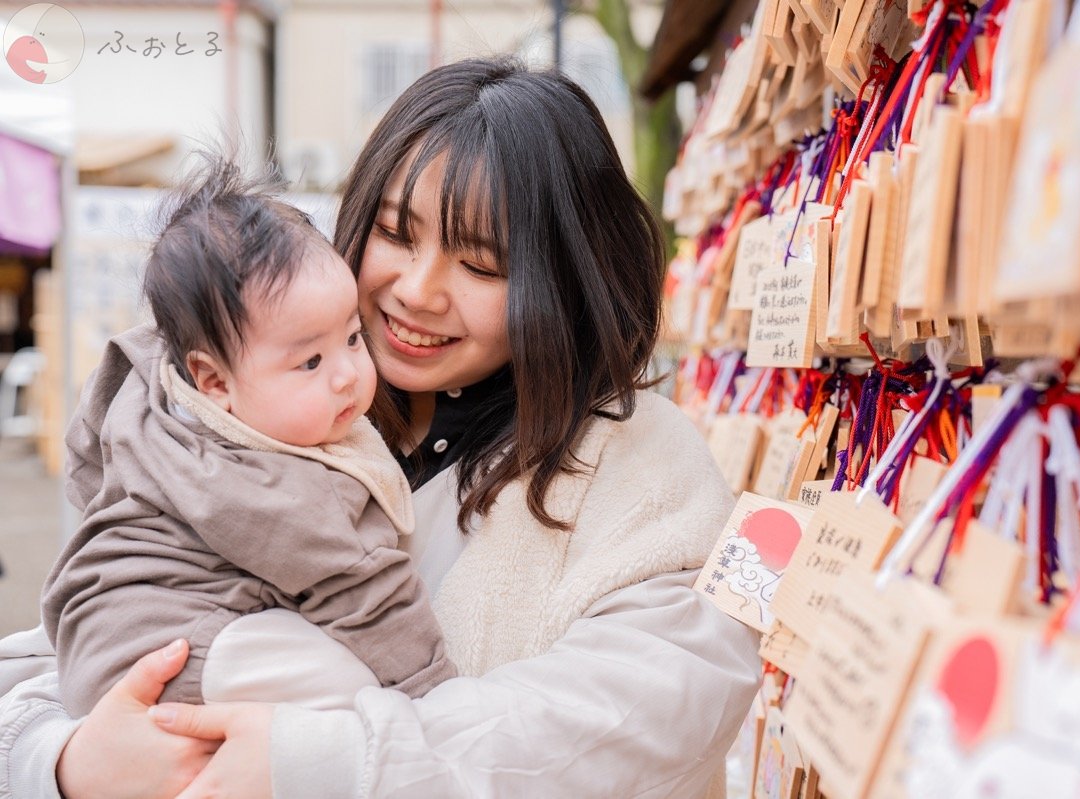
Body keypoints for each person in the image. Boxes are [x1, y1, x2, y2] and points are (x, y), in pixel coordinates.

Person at [0, 57, 761, 798]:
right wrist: (66, 761)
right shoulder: (250, 415)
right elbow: (74, 625)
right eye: (396, 234)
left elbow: (653, 709)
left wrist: (325, 764)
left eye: (482, 264)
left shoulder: (645, 460)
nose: (418, 290)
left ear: (562, 279)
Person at [42, 156, 454, 717]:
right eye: (310, 361)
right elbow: (369, 594)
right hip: (166, 654)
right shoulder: (274, 489)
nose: (346, 375)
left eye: (353, 337)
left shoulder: (153, 388)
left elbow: (87, 455)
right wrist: (437, 689)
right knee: (348, 674)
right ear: (213, 380)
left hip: (98, 629)